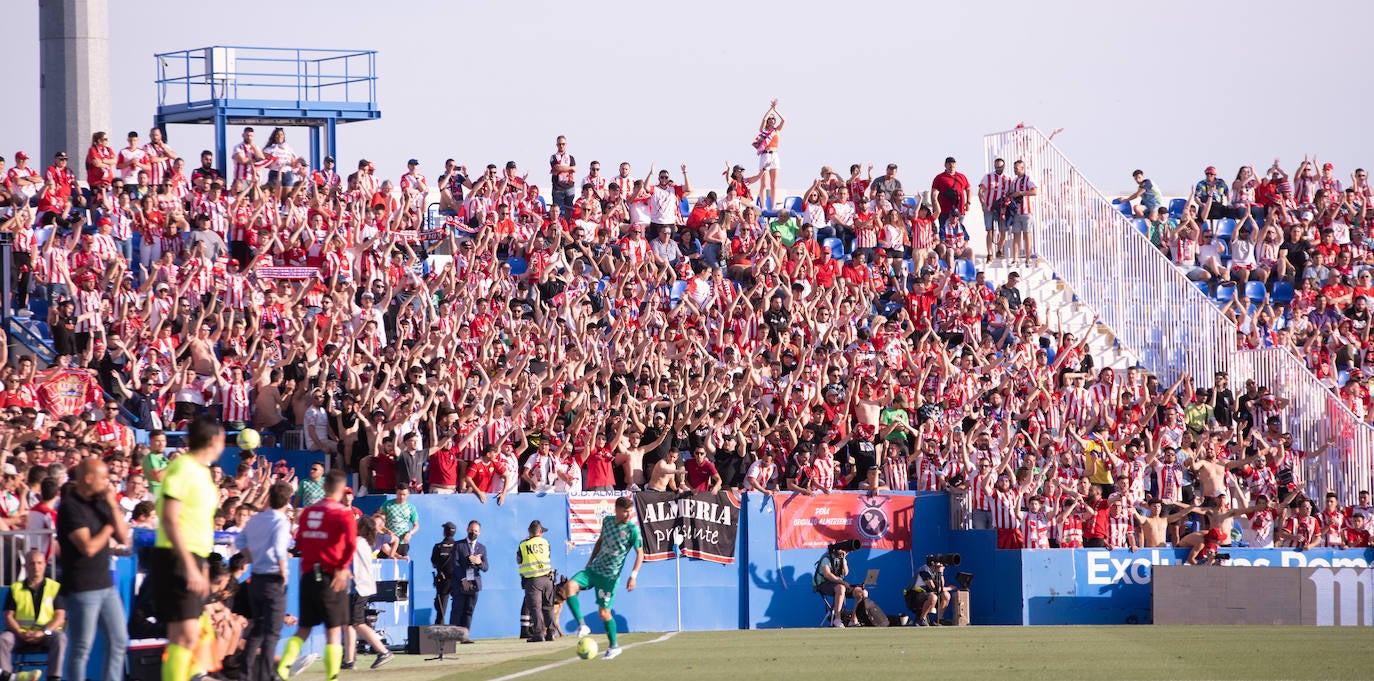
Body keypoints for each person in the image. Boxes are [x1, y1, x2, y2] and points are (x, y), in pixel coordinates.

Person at [151, 416, 223, 681]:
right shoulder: (183, 468)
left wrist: (200, 566)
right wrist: (190, 564)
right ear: (213, 440)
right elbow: (169, 517)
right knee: (185, 635)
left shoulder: (202, 472)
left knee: (188, 636)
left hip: (194, 556)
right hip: (176, 556)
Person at [276, 470, 356, 681]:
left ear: (323, 486)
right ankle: (331, 676)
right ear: (341, 488)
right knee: (333, 630)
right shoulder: (343, 513)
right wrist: (342, 567)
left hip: (308, 574)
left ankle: (283, 667)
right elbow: (350, 545)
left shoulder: (309, 512)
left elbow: (300, 541)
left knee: (303, 628)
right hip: (330, 576)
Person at [55, 457, 128, 681]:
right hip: (81, 586)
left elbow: (124, 537)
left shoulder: (101, 502)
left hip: (105, 584)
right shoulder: (70, 506)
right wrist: (108, 526)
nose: (107, 483)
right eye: (103, 478)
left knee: (118, 640)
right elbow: (88, 547)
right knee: (81, 647)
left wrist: (113, 505)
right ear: (88, 478)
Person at [558, 496, 642, 658]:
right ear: (616, 510)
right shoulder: (608, 521)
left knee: (603, 613)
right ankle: (582, 626)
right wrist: (590, 561)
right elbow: (600, 541)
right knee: (569, 587)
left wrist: (633, 576)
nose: (628, 515)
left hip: (609, 577)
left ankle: (614, 646)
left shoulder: (632, 530)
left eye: (630, 512)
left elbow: (640, 553)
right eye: (625, 512)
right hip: (594, 569)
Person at [235, 482, 294, 681]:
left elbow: (239, 541)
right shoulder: (281, 520)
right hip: (273, 577)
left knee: (258, 629)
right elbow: (279, 547)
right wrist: (283, 570)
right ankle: (266, 675)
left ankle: (245, 674)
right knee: (272, 632)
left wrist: (250, 557)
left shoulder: (256, 519)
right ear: (287, 500)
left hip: (256, 578)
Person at [0, 550, 65, 681]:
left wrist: (43, 632)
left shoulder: (55, 587)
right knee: (4, 639)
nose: (36, 567)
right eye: (32, 563)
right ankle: (6, 677)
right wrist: (20, 633)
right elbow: (8, 616)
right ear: (26, 566)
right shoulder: (16, 588)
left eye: (39, 563)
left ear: (45, 565)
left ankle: (54, 677)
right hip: (21, 634)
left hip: (46, 634)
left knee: (60, 638)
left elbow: (59, 616)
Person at [344, 515, 393, 670]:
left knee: (357, 622)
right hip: (360, 587)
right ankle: (349, 659)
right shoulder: (365, 542)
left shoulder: (357, 542)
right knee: (350, 624)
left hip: (357, 587)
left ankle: (382, 651)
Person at [517, 520, 554, 643]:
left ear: (529, 531)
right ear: (540, 532)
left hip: (533, 580)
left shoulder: (523, 545)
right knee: (548, 607)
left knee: (535, 608)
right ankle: (551, 633)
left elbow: (519, 560)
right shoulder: (546, 543)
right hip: (548, 579)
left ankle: (538, 634)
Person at [448, 520, 487, 631]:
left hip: (474, 583)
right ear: (467, 530)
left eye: (475, 531)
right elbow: (455, 564)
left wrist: (479, 562)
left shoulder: (482, 548)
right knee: (457, 609)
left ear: (479, 532)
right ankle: (453, 635)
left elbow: (486, 567)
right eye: (471, 530)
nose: (473, 532)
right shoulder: (458, 545)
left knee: (469, 610)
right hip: (460, 583)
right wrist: (463, 579)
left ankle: (465, 635)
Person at [812, 540, 854, 628]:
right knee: (841, 588)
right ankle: (837, 619)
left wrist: (844, 560)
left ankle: (854, 620)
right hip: (824, 585)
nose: (846, 552)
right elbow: (827, 575)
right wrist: (842, 582)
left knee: (862, 592)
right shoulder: (826, 558)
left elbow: (845, 573)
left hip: (838, 584)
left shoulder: (842, 559)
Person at [753, 99, 785, 208]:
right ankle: (763, 206)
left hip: (774, 155)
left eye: (773, 118)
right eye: (770, 118)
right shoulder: (764, 131)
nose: (771, 119)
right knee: (764, 184)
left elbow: (784, 120)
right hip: (765, 155)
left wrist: (776, 110)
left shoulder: (776, 130)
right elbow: (764, 119)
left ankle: (773, 206)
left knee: (774, 184)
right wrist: (770, 109)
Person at [904, 562, 952, 626]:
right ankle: (921, 620)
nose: (943, 567)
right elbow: (933, 588)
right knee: (933, 597)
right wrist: (949, 588)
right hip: (913, 597)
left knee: (946, 595)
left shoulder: (936, 572)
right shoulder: (924, 570)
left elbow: (941, 586)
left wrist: (941, 573)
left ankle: (939, 619)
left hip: (926, 595)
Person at [430, 522, 458, 625]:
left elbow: (434, 563)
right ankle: (457, 629)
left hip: (443, 580)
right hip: (456, 580)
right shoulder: (458, 546)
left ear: (445, 532)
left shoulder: (438, 547)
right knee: (458, 607)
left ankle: (439, 631)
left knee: (441, 610)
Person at [378, 487, 419, 557]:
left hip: (402, 543)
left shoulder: (411, 507)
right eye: (399, 494)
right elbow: (379, 523)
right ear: (396, 493)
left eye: (404, 494)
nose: (401, 497)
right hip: (389, 541)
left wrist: (410, 533)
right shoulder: (388, 505)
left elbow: (416, 525)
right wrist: (387, 531)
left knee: (402, 563)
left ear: (408, 494)